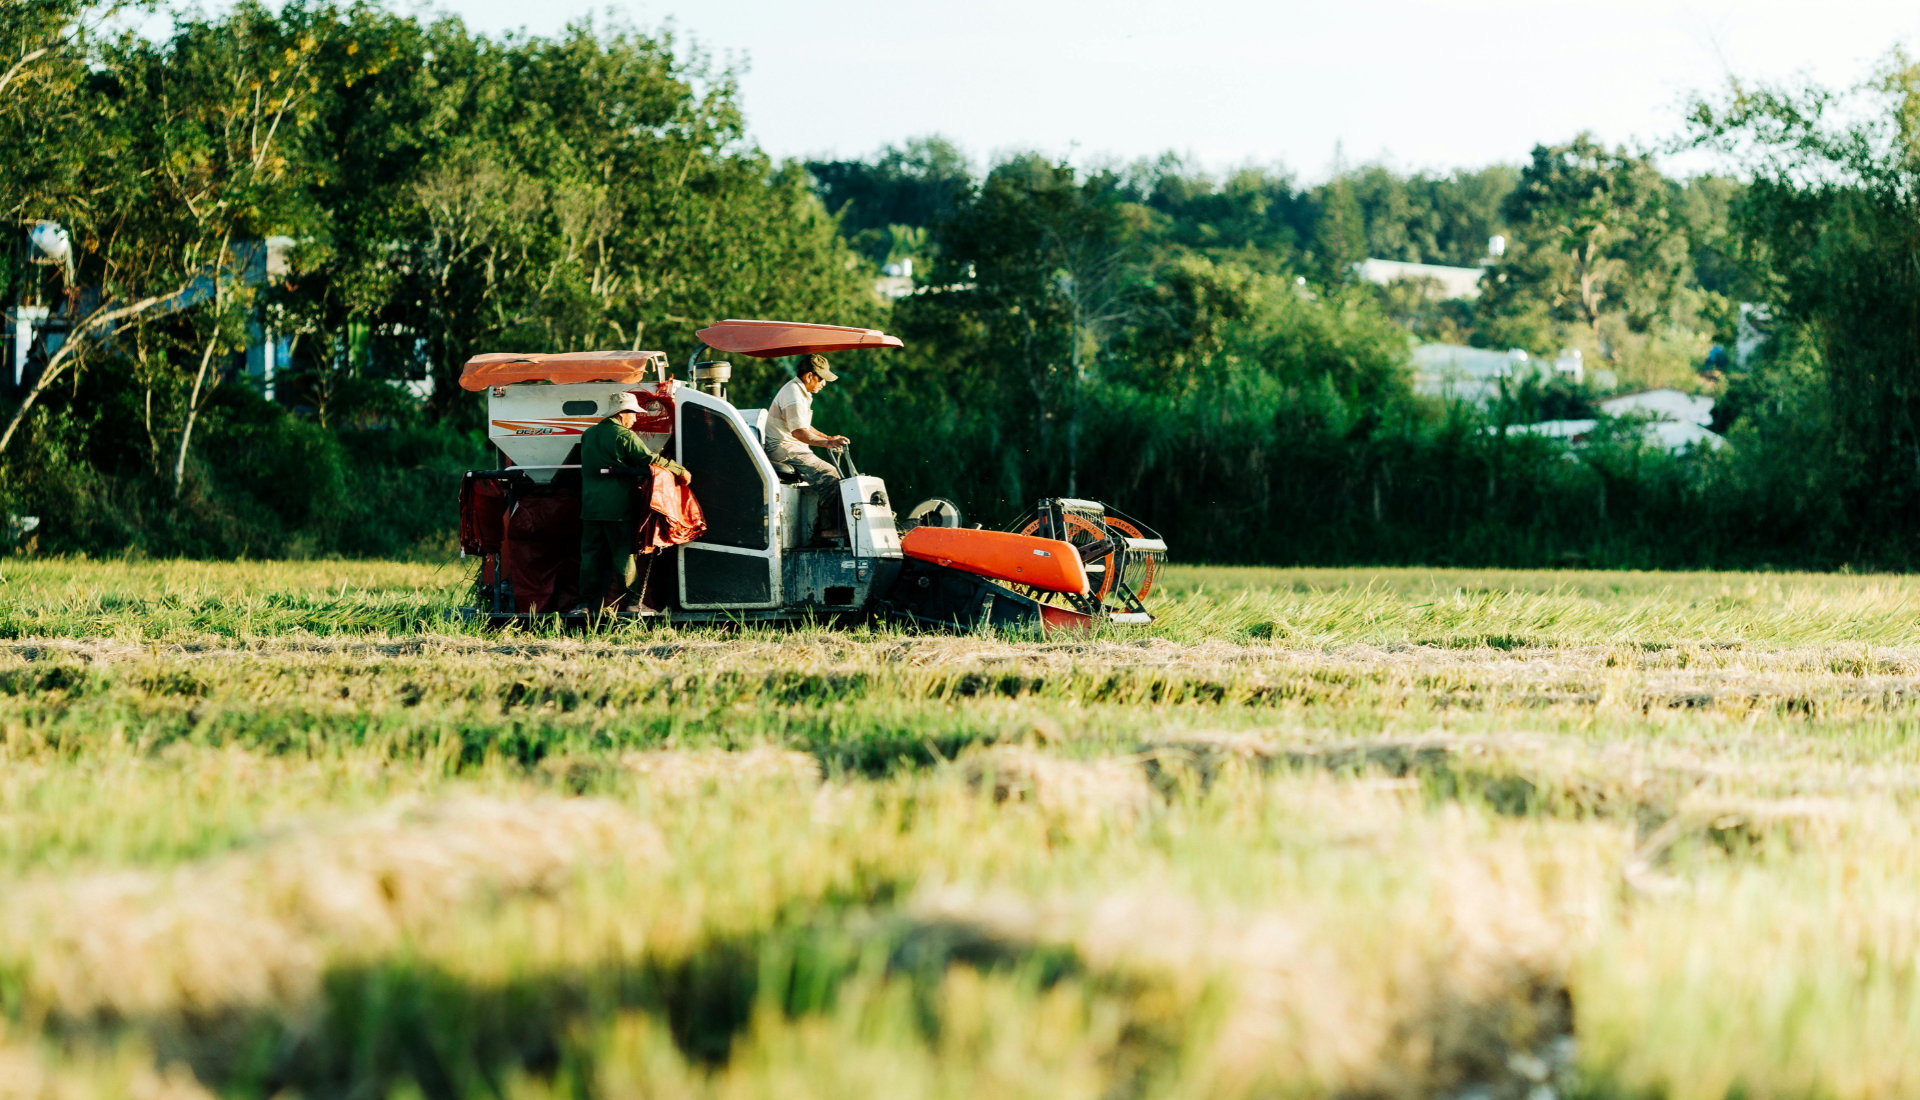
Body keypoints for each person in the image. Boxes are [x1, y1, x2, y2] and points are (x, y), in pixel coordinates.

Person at [574, 389, 688, 615]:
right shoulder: (624, 435)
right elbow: (649, 459)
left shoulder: (589, 434)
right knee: (624, 556)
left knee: (590, 558)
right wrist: (679, 469)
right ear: (621, 413)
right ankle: (634, 603)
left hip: (590, 508)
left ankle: (583, 606)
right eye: (633, 414)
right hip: (617, 508)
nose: (635, 418)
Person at [764, 353, 850, 534]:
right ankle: (830, 529)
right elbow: (799, 433)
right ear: (809, 376)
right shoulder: (794, 394)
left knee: (836, 474)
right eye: (821, 379)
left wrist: (828, 438)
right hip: (783, 449)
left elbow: (804, 425)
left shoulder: (798, 390)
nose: (824, 384)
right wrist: (828, 444)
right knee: (831, 475)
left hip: (791, 447)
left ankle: (830, 525)